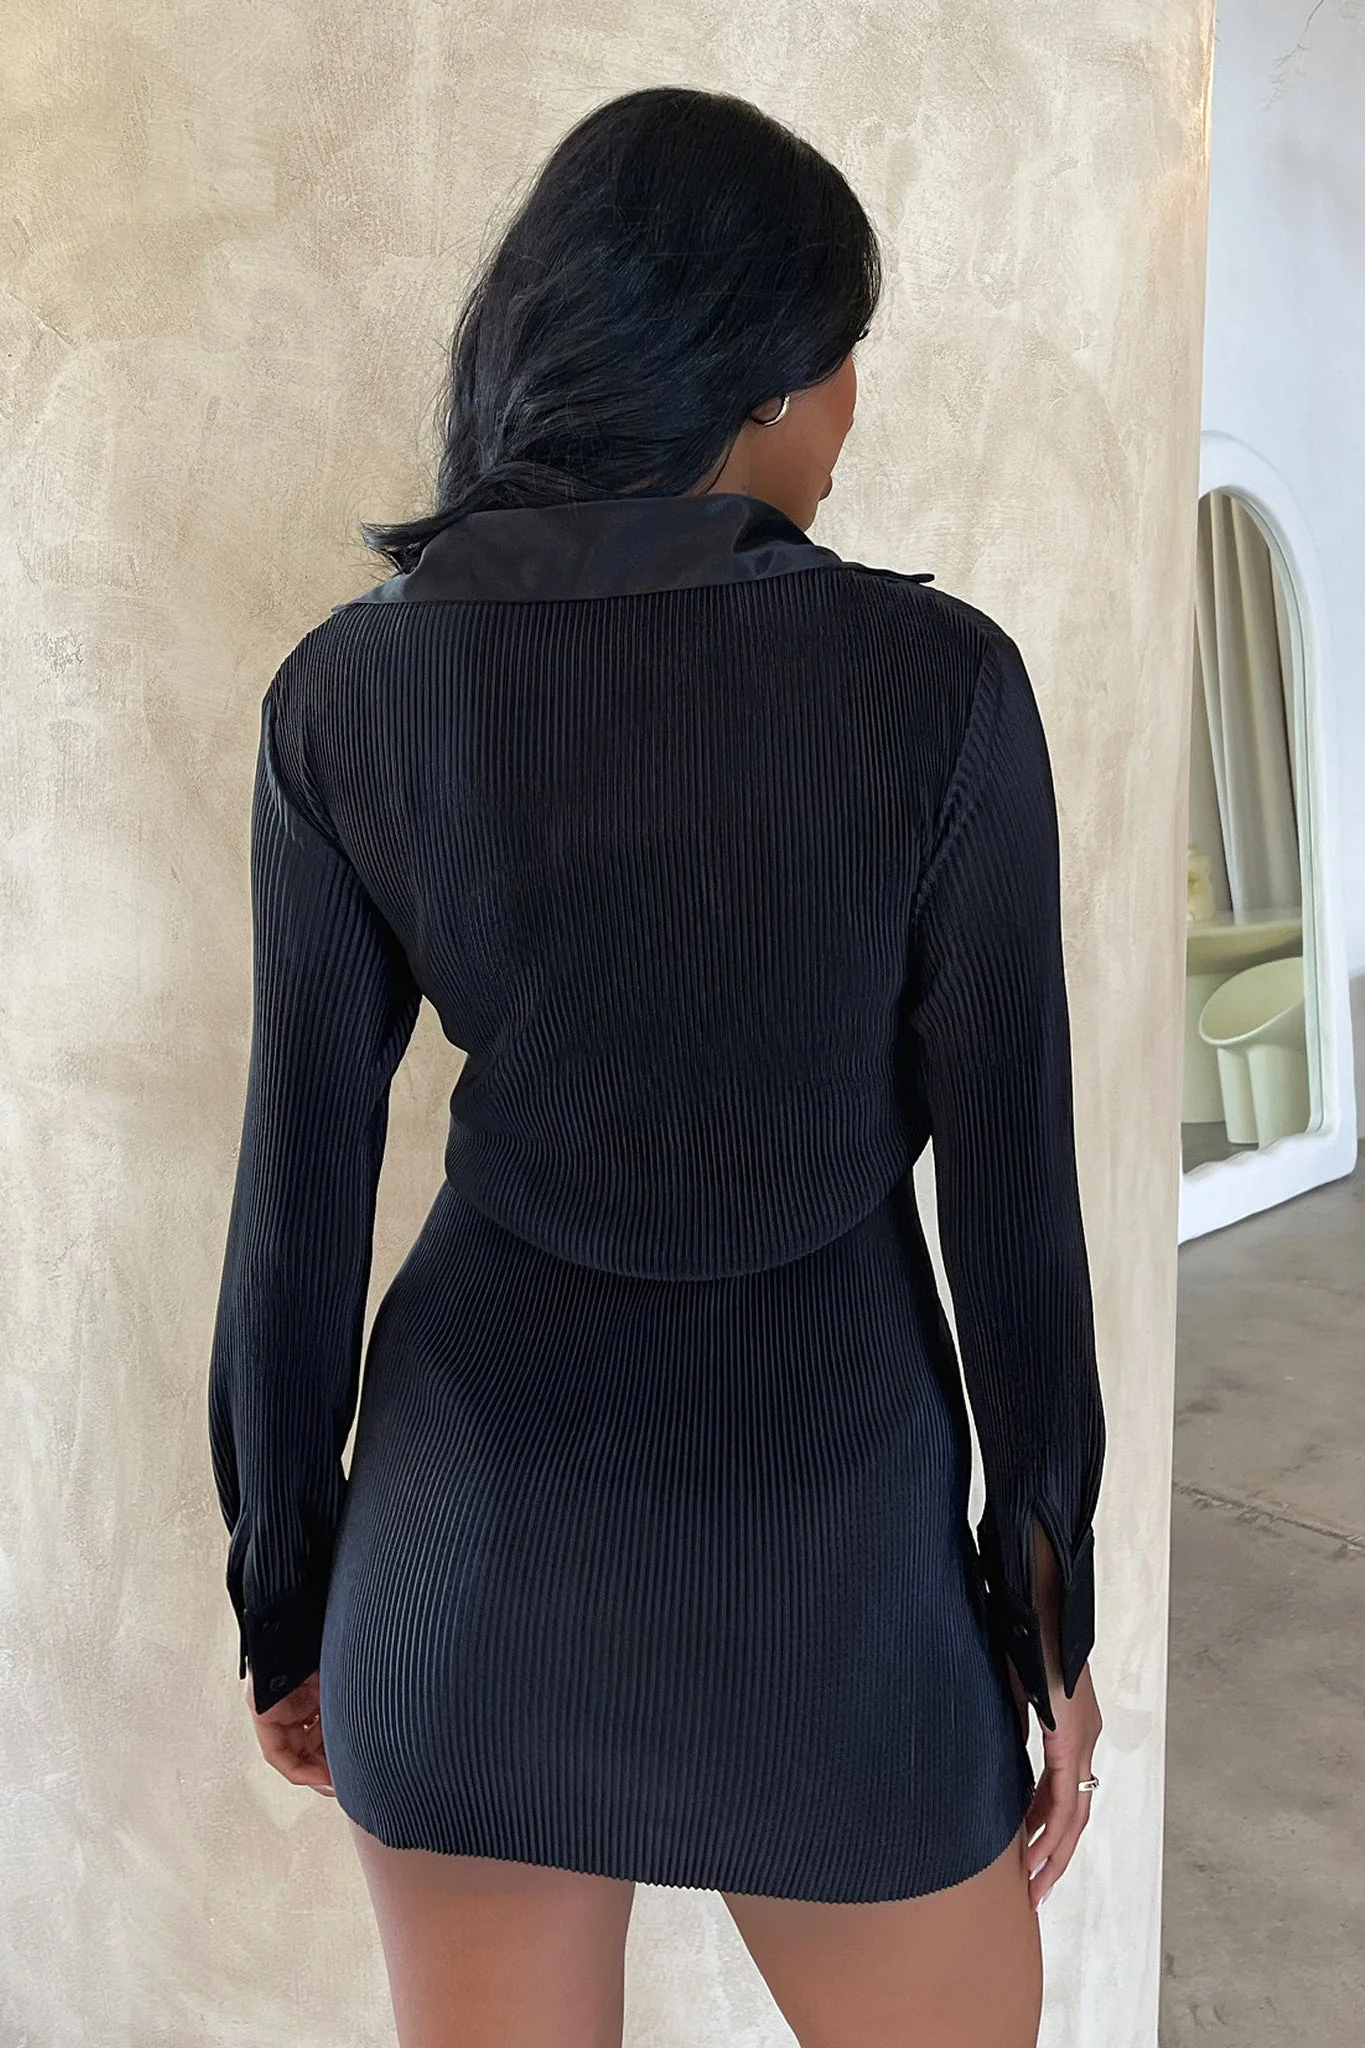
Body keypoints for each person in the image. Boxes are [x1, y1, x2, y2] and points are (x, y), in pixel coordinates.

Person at [208, 83, 1106, 2048]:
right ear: (764, 370)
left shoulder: (348, 690)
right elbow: (1014, 1210)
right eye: (843, 350)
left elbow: (295, 1205)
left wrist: (285, 1592)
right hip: (830, 1570)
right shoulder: (938, 687)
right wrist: (1053, 1614)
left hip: (462, 1569)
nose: (850, 408)